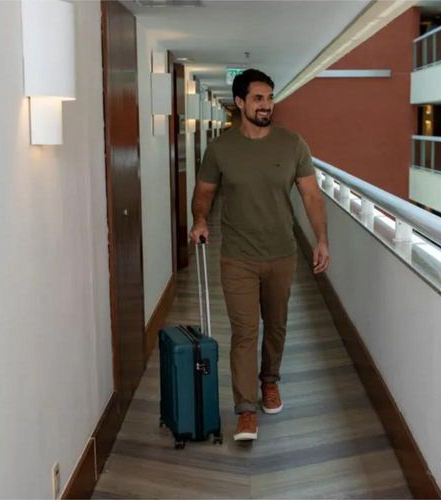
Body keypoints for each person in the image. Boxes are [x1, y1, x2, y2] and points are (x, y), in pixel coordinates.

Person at [189, 68, 329, 441]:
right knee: (244, 332)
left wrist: (321, 239)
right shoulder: (221, 149)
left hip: (282, 254)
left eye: (269, 98)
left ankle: (270, 381)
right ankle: (246, 409)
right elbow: (203, 193)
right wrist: (200, 220)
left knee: (276, 325)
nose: (267, 105)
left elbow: (311, 195)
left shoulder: (293, 144)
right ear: (239, 102)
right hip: (237, 256)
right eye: (258, 98)